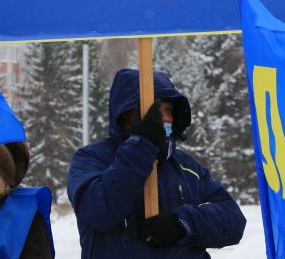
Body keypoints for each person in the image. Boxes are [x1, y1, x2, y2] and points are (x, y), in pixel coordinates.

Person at [67, 68, 246, 258]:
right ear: (127, 113)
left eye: (168, 110)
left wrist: (182, 224)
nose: (165, 117)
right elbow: (100, 212)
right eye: (154, 109)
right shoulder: (92, 160)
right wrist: (142, 147)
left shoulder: (186, 167)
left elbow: (233, 221)